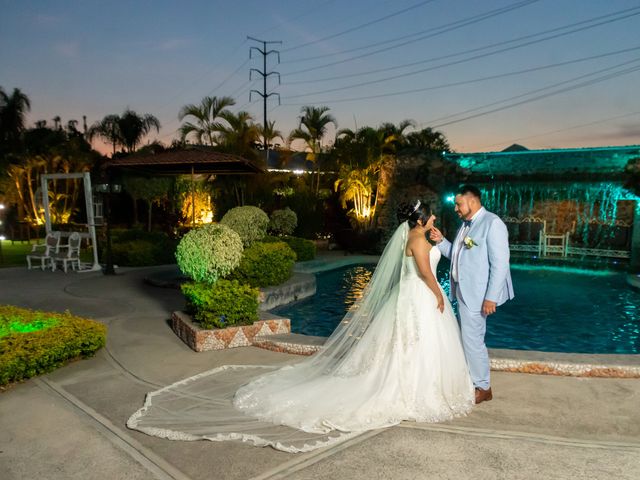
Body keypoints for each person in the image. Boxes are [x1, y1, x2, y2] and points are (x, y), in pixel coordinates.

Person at [128, 201, 474, 452]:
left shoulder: (416, 237)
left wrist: (437, 239)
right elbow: (427, 273)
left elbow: (428, 256)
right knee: (412, 342)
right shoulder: (417, 240)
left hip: (410, 296)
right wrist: (438, 295)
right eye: (428, 215)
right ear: (421, 218)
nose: (432, 218)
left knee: (407, 342)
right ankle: (411, 388)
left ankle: (410, 381)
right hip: (420, 293)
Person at [430, 185, 514, 404]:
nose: (456, 209)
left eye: (458, 204)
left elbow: (500, 264)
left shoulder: (492, 223)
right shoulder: (466, 226)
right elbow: (458, 256)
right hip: (463, 292)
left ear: (472, 202)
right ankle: (475, 381)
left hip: (478, 294)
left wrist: (491, 297)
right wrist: (441, 242)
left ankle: (483, 387)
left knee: (473, 340)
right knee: (469, 339)